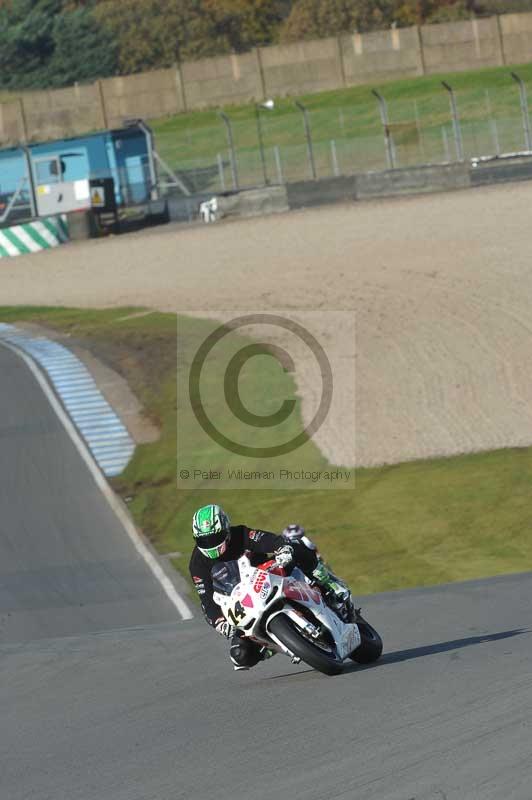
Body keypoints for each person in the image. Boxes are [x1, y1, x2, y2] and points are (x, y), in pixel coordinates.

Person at [189, 504, 352, 671]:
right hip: (243, 601)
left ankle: (328, 582)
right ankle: (272, 645)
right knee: (239, 655)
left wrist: (282, 548)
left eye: (214, 538)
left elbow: (267, 540)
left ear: (226, 529)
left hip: (267, 574)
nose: (210, 544)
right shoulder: (197, 564)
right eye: (203, 540)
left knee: (296, 546)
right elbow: (206, 600)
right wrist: (219, 621)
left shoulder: (240, 534)